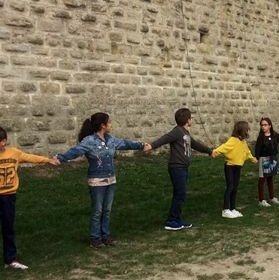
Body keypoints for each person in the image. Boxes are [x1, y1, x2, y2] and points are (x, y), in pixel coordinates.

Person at [55, 113, 151, 248]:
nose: (111, 124)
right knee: (98, 210)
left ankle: (105, 236)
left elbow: (125, 143)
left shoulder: (110, 140)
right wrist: (60, 158)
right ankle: (95, 238)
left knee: (107, 210)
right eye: (109, 122)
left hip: (111, 180)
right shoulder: (89, 141)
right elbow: (75, 151)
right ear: (102, 125)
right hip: (97, 181)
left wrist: (141, 145)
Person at [0, 126, 59, 270]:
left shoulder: (14, 153)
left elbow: (30, 157)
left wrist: (47, 160)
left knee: (8, 228)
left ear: (4, 141)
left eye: (0, 141)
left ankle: (10, 259)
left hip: (8, 197)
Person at [149, 108, 212, 231]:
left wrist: (209, 151)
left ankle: (177, 219)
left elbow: (195, 144)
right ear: (188, 120)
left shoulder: (185, 133)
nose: (191, 120)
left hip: (183, 168)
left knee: (181, 194)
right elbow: (164, 139)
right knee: (180, 194)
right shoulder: (177, 132)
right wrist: (151, 145)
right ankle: (172, 220)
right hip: (176, 167)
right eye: (190, 118)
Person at [211, 121, 258, 219]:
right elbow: (224, 147)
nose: (247, 131)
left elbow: (247, 151)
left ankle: (232, 208)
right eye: (246, 129)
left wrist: (251, 158)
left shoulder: (243, 141)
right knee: (230, 187)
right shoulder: (233, 140)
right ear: (241, 130)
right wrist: (215, 152)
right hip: (230, 166)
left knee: (235, 187)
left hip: (238, 167)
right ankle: (225, 210)